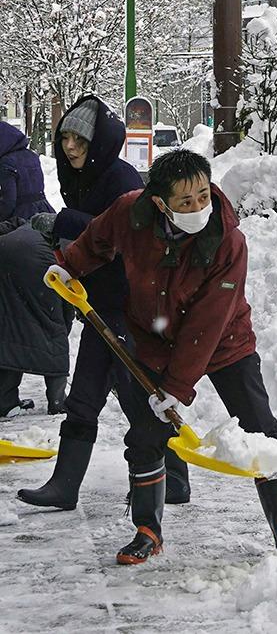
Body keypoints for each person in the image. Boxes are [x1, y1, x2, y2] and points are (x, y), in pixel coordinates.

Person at [46, 148, 277, 564]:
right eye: (186, 201)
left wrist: (176, 387)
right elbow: (98, 238)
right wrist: (70, 265)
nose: (199, 206)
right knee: (146, 433)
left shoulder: (227, 240)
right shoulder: (131, 213)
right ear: (159, 202)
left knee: (260, 428)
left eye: (203, 194)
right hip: (154, 338)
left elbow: (209, 320)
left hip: (224, 342)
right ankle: (148, 529)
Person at [17, 95, 191, 510]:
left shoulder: (122, 178)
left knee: (138, 398)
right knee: (85, 398)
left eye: (79, 139)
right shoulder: (82, 177)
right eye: (65, 138)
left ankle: (175, 478)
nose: (70, 147)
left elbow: (124, 236)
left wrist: (63, 223)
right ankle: (65, 486)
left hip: (131, 309)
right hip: (100, 305)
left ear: (98, 142)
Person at [0, 122, 68, 416]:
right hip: (42, 223)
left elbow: (7, 202)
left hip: (16, 233)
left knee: (11, 318)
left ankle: (6, 398)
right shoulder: (29, 155)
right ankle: (56, 397)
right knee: (52, 315)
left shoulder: (5, 163)